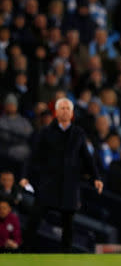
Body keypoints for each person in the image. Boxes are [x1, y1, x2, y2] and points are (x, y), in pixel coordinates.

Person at [20, 98, 103, 252]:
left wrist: (96, 177)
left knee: (68, 224)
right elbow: (32, 157)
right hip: (48, 183)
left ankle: (66, 256)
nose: (65, 111)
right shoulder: (45, 132)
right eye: (62, 108)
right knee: (35, 217)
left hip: (69, 185)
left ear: (71, 113)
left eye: (67, 109)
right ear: (56, 112)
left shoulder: (78, 133)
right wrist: (25, 176)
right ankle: (25, 249)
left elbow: (87, 157)